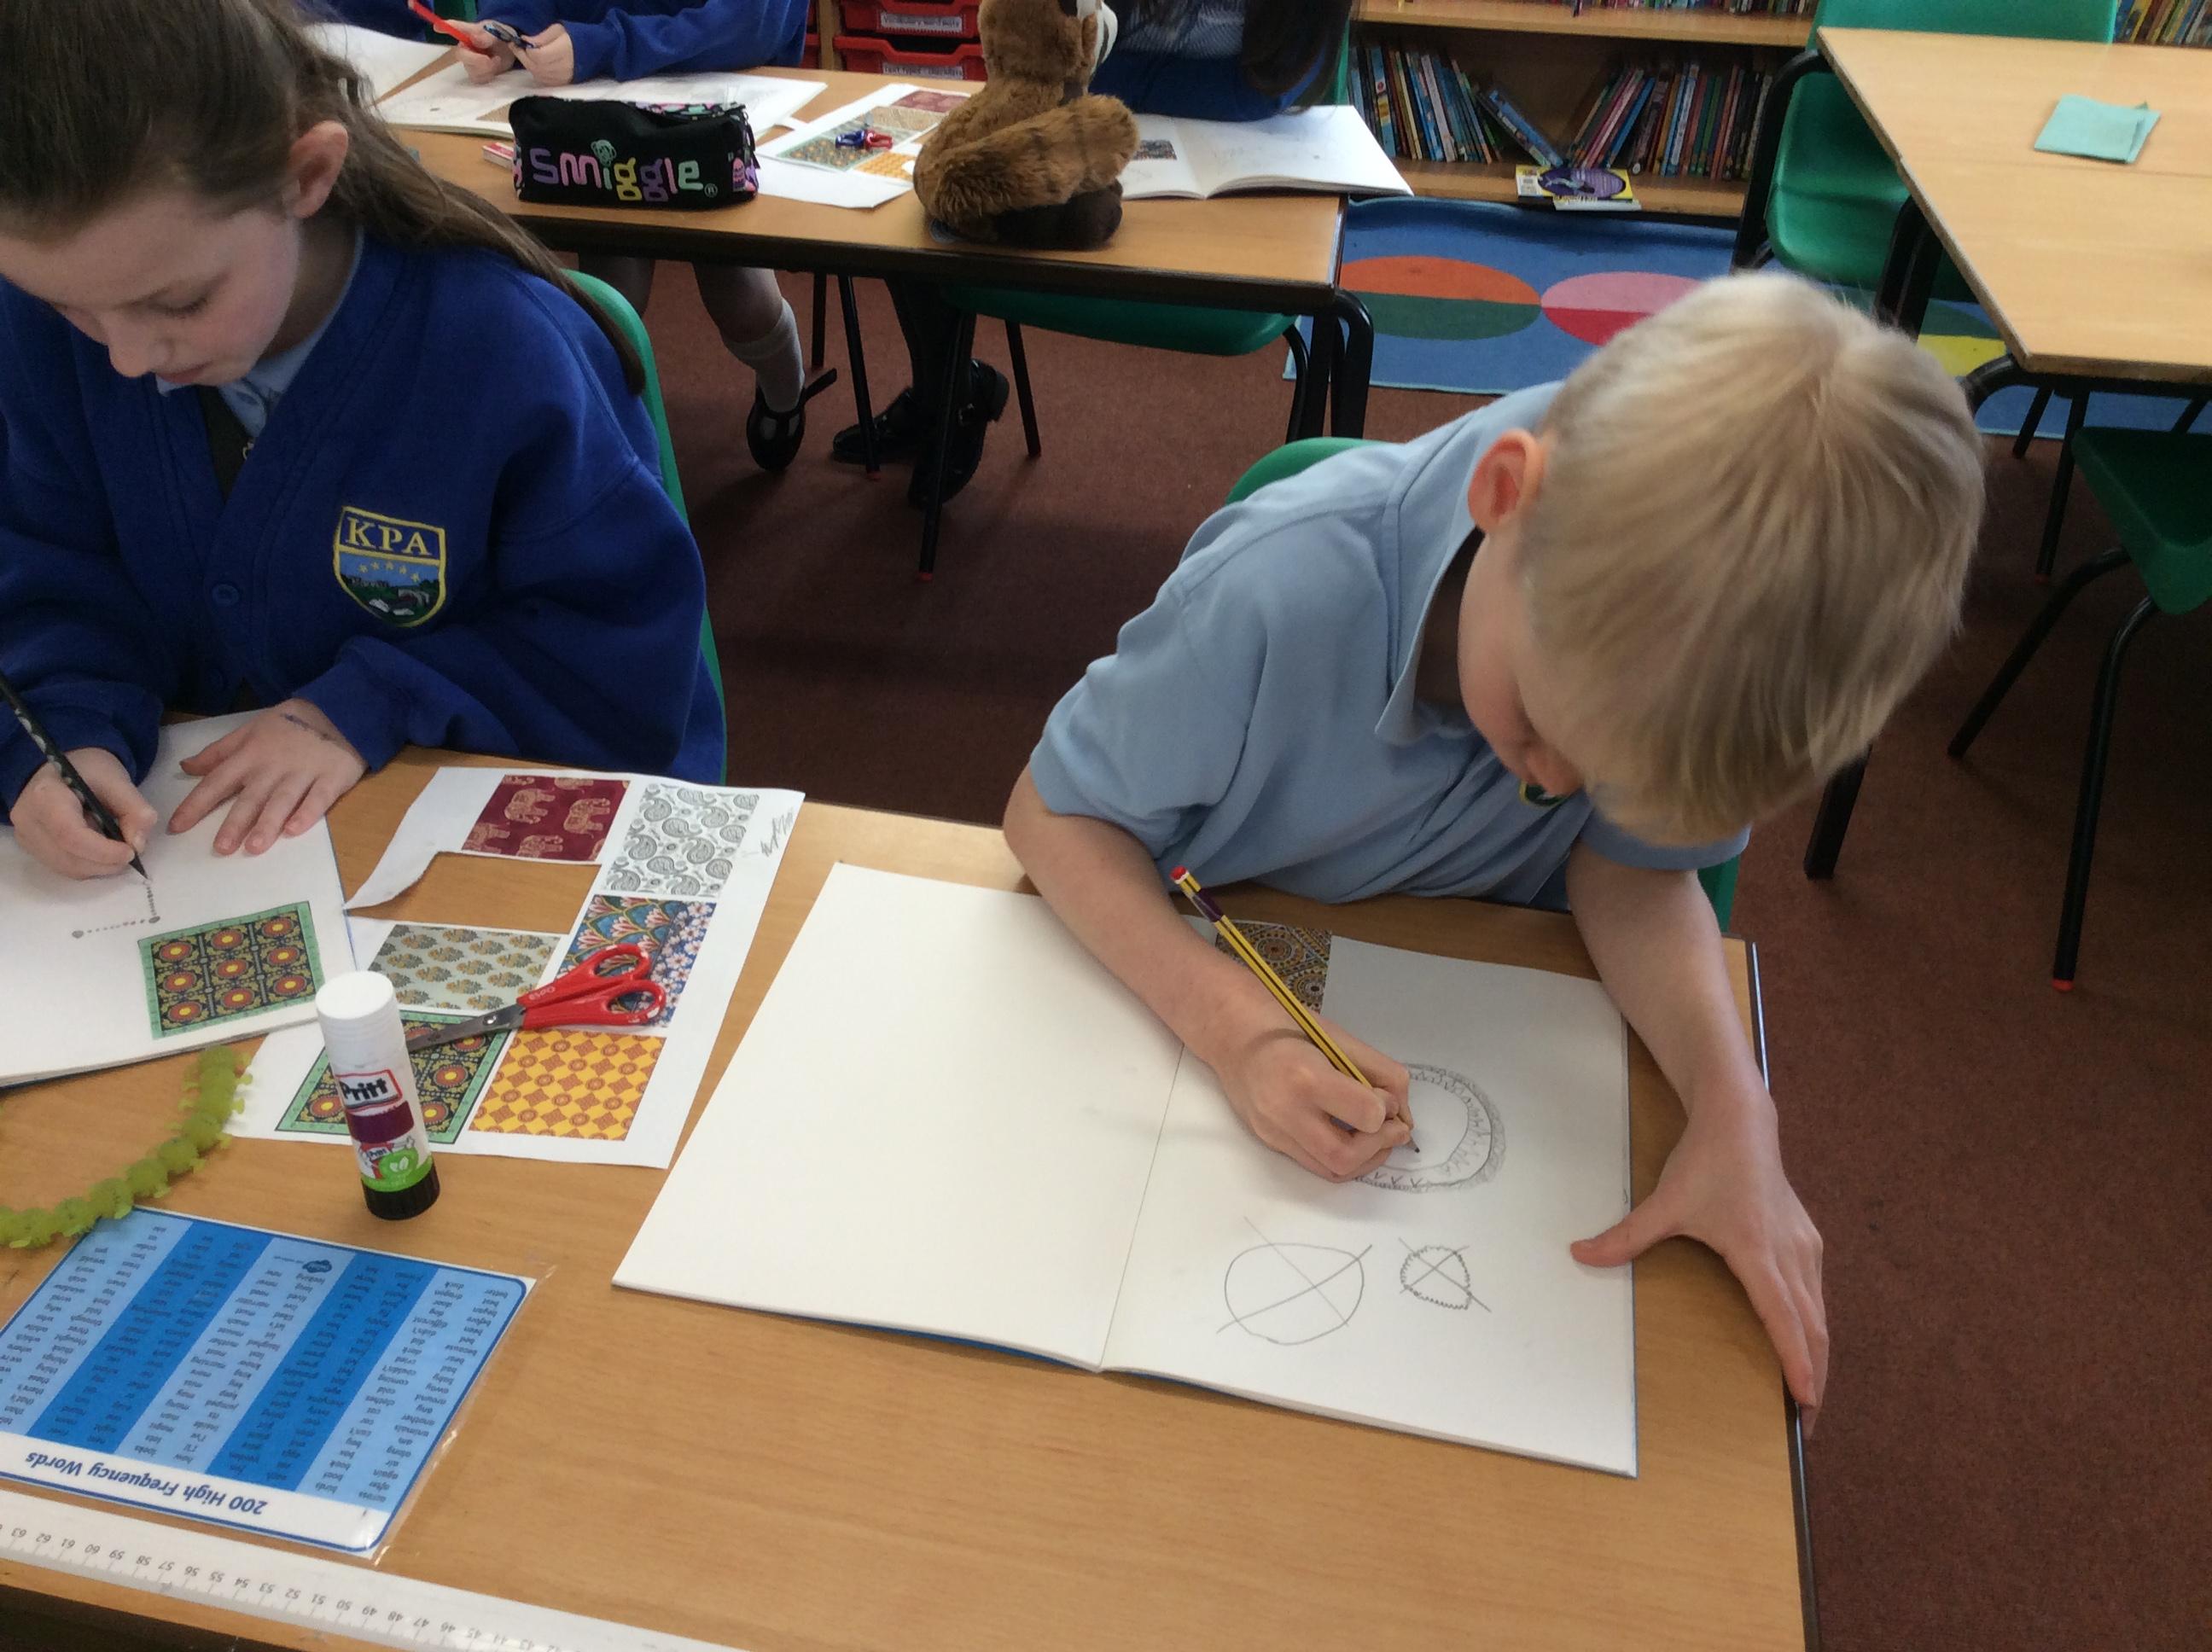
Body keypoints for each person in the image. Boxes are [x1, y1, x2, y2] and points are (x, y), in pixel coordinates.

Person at [1002, 273, 1992, 1427]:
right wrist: (1238, 1027)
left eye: (1606, 778)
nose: (1553, 787)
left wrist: (1738, 1113)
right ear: (1503, 496)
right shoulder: (1274, 594)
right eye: (1536, 727)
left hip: (1492, 1026)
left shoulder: (1690, 632)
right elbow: (1050, 815)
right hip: (1177, 1009)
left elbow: (1633, 874)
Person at [0, 0, 723, 881]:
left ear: (305, 176)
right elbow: (46, 576)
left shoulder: (499, 352)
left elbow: (619, 666)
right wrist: (59, 732)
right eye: (68, 307)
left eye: (179, 302)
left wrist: (374, 702)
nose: (126, 358)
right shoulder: (46, 329)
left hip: (472, 837)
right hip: (203, 855)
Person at [830, 0, 1352, 504]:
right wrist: (1155, 86)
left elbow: (1272, 86)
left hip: (1234, 174)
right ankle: (946, 393)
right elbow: (1043, 45)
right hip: (1086, 130)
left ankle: (947, 395)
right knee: (936, 209)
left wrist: (1122, 80)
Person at [452, 0, 833, 470]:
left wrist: (606, 45)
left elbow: (754, 23)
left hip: (721, 101)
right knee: (612, 301)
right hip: (598, 102)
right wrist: (510, 31)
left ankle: (784, 384)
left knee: (741, 302)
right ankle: (612, 449)